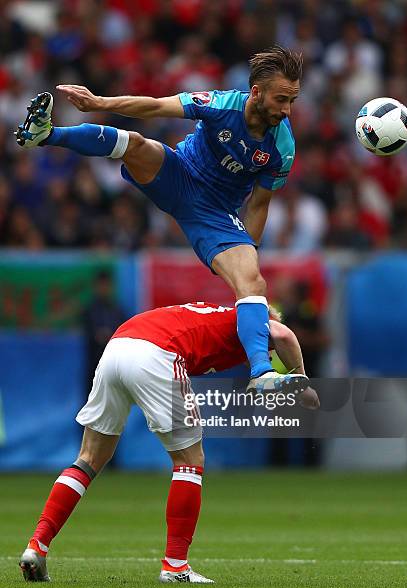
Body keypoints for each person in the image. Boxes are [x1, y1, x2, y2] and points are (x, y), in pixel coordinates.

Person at [15, 46, 302, 394]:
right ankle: (46, 135)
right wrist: (99, 102)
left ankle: (261, 373)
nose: (286, 109)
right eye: (281, 98)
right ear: (256, 92)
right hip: (178, 174)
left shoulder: (282, 146)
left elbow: (258, 204)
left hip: (214, 215)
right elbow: (155, 105)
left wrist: (244, 249)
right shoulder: (220, 104)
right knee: (135, 143)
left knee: (252, 284)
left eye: (292, 100)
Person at [19, 301, 318, 584]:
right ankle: (175, 566)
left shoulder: (213, 316)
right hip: (157, 353)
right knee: (190, 461)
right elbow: (282, 333)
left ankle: (37, 546)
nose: (266, 352)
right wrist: (302, 380)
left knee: (88, 458)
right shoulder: (254, 321)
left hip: (117, 347)